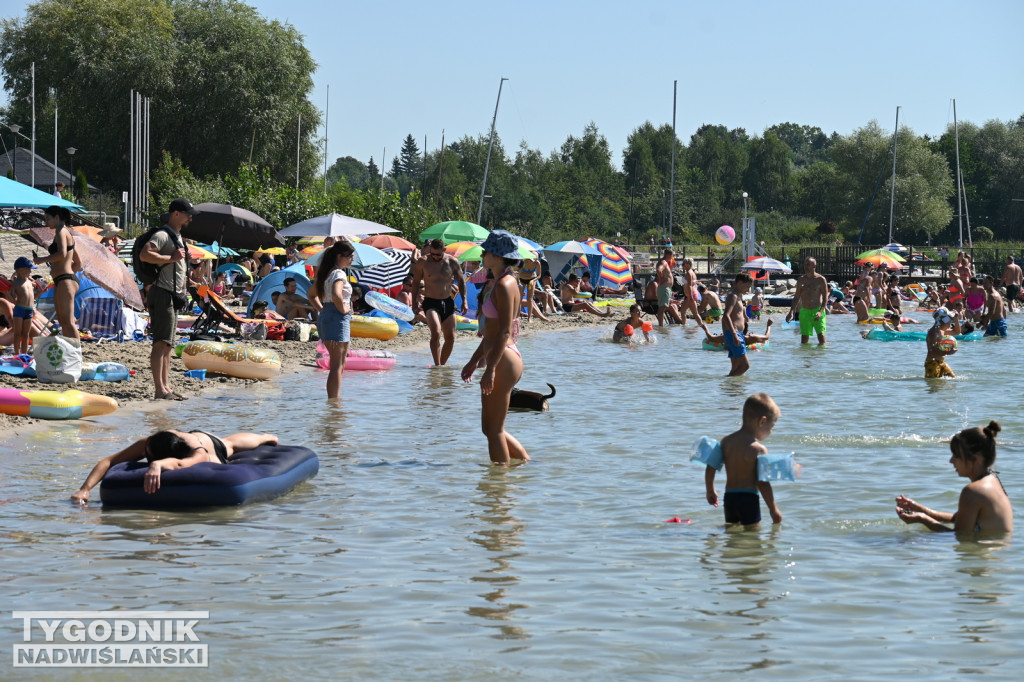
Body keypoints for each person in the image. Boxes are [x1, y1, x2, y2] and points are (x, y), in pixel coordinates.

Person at [461, 230, 530, 465]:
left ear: (499, 256)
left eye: (486, 250)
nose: (482, 254)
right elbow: (490, 333)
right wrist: (473, 361)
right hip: (500, 356)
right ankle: (523, 463)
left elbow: (504, 332)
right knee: (489, 429)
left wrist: (489, 368)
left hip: (503, 359)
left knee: (494, 431)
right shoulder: (501, 282)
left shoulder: (505, 284)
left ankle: (498, 491)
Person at [70, 430, 280, 504]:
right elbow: (108, 461)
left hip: (210, 445)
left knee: (230, 444)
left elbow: (180, 464)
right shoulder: (151, 441)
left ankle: (265, 437)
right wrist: (85, 489)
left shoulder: (197, 455)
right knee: (230, 442)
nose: (143, 455)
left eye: (147, 456)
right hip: (184, 437)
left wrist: (158, 465)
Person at [896, 421, 1012, 534]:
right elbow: (957, 519)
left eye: (956, 455)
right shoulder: (993, 480)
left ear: (975, 459)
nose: (951, 461)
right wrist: (920, 509)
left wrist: (923, 519)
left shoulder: (973, 491)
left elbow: (961, 538)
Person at [141, 198, 195, 400]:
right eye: (188, 214)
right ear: (176, 214)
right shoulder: (163, 234)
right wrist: (171, 259)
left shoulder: (176, 236)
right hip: (162, 292)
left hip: (171, 294)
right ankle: (159, 390)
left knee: (168, 344)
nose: (190, 217)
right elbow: (146, 255)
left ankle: (166, 387)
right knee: (160, 343)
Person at [704, 393, 784, 528]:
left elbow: (711, 467)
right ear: (762, 421)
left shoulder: (726, 442)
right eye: (771, 427)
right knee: (752, 534)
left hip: (729, 499)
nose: (771, 432)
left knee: (731, 531)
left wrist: (710, 490)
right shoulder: (759, 450)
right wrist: (773, 509)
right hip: (748, 499)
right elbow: (763, 483)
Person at [309, 240, 356, 399]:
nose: (352, 260)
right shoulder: (339, 274)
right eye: (350, 257)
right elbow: (337, 295)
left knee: (339, 364)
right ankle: (334, 404)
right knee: (337, 366)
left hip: (327, 316)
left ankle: (334, 402)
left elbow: (311, 294)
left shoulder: (326, 273)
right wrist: (343, 309)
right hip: (337, 318)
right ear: (340, 256)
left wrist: (322, 309)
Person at [411, 238, 468, 366]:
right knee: (436, 332)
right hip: (430, 302)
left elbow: (461, 281)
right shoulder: (423, 262)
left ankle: (441, 365)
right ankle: (437, 365)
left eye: (438, 254)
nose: (435, 257)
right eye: (433, 254)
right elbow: (415, 283)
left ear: (444, 250)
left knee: (451, 337)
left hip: (447, 302)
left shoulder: (452, 262)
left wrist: (464, 301)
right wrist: (414, 303)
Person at [32, 205, 79, 340]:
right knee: (63, 322)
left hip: (65, 279)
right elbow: (78, 262)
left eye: (48, 219)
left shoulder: (61, 231)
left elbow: (62, 254)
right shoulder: (66, 233)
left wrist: (42, 260)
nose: (46, 222)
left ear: (57, 217)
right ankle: (70, 352)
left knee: (68, 322)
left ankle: (77, 354)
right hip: (64, 279)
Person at [721, 272, 754, 376]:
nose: (748, 290)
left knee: (735, 367)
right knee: (745, 366)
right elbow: (725, 316)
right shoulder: (733, 296)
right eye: (747, 286)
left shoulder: (739, 296)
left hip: (733, 334)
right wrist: (734, 335)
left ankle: (731, 389)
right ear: (739, 283)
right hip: (734, 333)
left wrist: (727, 338)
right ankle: (728, 384)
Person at [791, 256, 828, 344]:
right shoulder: (801, 279)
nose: (806, 266)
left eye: (808, 264)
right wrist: (790, 312)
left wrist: (820, 311)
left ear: (814, 266)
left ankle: (821, 356)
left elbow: (825, 297)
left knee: (821, 337)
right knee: (804, 338)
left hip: (817, 311)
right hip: (805, 312)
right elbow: (796, 297)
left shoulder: (820, 280)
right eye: (805, 264)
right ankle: (805, 356)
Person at [7, 256, 37, 355]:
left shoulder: (30, 282)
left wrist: (42, 291)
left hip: (29, 309)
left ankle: (24, 354)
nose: (30, 271)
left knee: (26, 334)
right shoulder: (15, 283)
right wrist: (8, 294)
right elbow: (12, 299)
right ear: (20, 270)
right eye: (29, 269)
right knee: (17, 334)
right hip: (19, 309)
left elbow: (32, 297)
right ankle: (17, 354)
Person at [925, 307, 957, 378]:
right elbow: (933, 350)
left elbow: (957, 331)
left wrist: (956, 319)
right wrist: (948, 352)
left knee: (953, 378)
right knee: (934, 385)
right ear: (945, 320)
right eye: (950, 319)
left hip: (941, 361)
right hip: (932, 363)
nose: (951, 321)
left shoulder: (941, 331)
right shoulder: (933, 332)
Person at [654, 248, 683, 325]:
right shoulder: (663, 262)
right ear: (669, 255)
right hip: (664, 288)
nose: (672, 257)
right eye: (672, 255)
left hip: (665, 288)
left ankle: (662, 325)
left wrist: (671, 268)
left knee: (664, 307)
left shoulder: (665, 263)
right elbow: (658, 270)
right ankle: (661, 326)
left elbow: (664, 272)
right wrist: (661, 279)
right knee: (662, 308)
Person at [678, 258, 702, 325]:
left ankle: (684, 326)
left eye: (683, 264)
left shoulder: (688, 273)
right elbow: (693, 283)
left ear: (687, 265)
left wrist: (690, 297)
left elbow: (689, 286)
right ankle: (700, 326)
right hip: (692, 294)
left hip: (690, 295)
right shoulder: (692, 272)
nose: (682, 266)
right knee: (693, 313)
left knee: (685, 312)